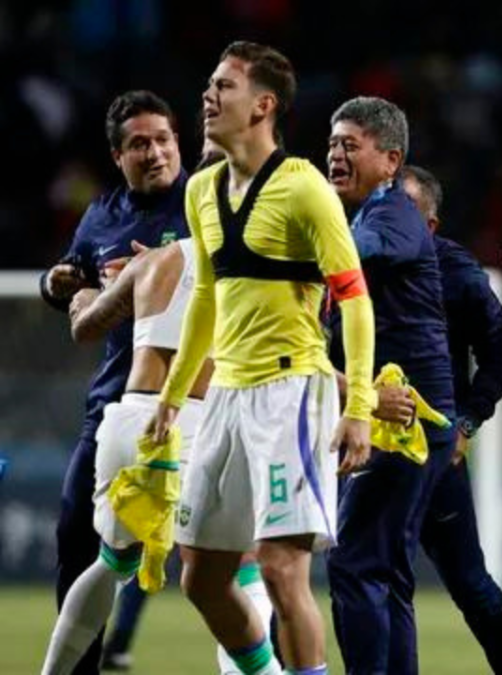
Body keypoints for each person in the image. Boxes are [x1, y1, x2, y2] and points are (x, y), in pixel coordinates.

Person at [146, 41, 376, 675]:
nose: (209, 96)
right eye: (209, 84)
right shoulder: (201, 190)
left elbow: (354, 301)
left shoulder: (304, 189)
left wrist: (357, 406)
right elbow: (205, 303)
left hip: (292, 394)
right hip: (225, 396)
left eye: (225, 86)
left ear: (263, 105)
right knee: (199, 578)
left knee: (280, 568)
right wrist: (172, 397)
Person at [41, 236, 275, 675]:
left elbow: (85, 327)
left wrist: (89, 296)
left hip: (129, 421)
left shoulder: (153, 261)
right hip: (194, 423)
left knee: (113, 560)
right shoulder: (252, 267)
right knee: (238, 571)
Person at [39, 89, 189, 675]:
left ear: (180, 143)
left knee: (242, 560)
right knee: (77, 539)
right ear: (117, 156)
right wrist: (59, 285)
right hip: (114, 408)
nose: (154, 152)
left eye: (163, 139)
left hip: (202, 405)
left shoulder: (209, 202)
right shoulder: (101, 214)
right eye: (138, 144)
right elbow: (71, 285)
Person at [322, 96, 460, 675]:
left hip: (403, 415)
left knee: (354, 563)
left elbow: (355, 255)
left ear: (390, 160)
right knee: (387, 573)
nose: (334, 156)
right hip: (408, 414)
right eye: (331, 144)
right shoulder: (361, 214)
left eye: (350, 145)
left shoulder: (392, 215)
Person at [400, 165, 502, 673]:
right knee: (328, 572)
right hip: (360, 446)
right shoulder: (351, 259)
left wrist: (467, 422)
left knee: (470, 584)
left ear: (430, 226)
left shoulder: (456, 274)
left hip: (431, 451)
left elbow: (500, 354)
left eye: (404, 210)